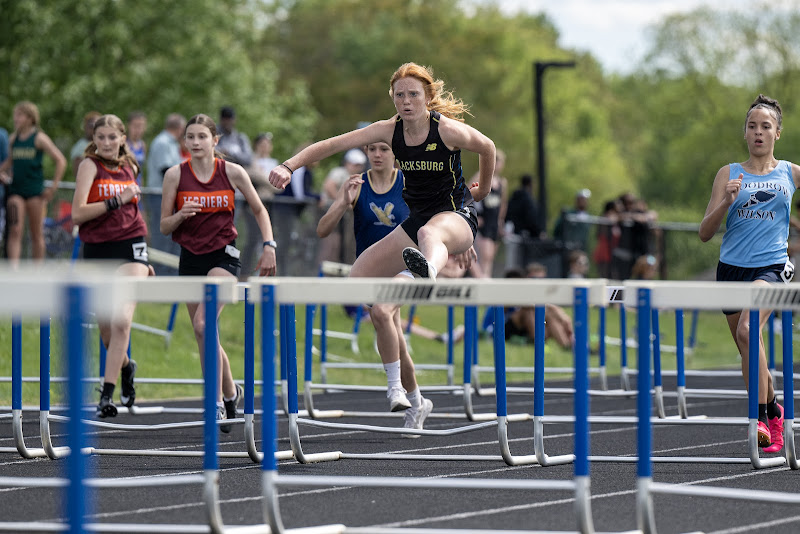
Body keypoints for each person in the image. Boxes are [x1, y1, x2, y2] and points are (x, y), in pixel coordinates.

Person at [269, 62, 495, 285]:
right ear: (393, 98)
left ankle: (428, 272)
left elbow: (487, 147)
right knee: (360, 277)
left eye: (413, 94)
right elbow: (331, 145)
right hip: (419, 219)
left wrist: (483, 190)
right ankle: (404, 288)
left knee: (429, 234)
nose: (406, 101)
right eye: (400, 95)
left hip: (456, 214)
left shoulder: (447, 130)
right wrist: (288, 166)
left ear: (427, 97)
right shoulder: (387, 130)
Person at [160, 113, 277, 433]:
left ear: (215, 140)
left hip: (224, 256)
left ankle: (213, 403)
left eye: (202, 136)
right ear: (184, 142)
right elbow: (164, 225)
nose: (196, 143)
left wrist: (269, 244)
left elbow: (259, 208)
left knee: (202, 324)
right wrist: (181, 214)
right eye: (190, 137)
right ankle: (230, 392)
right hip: (190, 259)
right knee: (203, 333)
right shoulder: (175, 175)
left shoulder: (232, 171)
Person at [699, 93, 798, 453]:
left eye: (765, 127)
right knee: (748, 346)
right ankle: (773, 410)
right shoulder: (729, 173)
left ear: (777, 133)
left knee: (746, 328)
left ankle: (759, 418)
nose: (758, 132)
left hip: (771, 268)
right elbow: (705, 233)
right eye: (752, 126)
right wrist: (726, 202)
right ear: (745, 133)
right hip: (731, 271)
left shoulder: (791, 173)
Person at [71, 114, 153, 417]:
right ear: (94, 139)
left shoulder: (130, 166)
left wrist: (144, 260)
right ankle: (127, 367)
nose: (106, 142)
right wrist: (115, 201)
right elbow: (78, 214)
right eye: (100, 137)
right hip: (97, 249)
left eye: (111, 137)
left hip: (131, 246)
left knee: (121, 321)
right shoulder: (89, 166)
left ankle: (106, 395)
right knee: (107, 331)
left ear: (122, 138)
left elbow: (136, 212)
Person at [0, 101, 67, 266]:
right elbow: (10, 161)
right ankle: (13, 270)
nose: (16, 119)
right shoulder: (13, 139)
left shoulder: (39, 138)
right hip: (16, 190)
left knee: (36, 233)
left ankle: (37, 271)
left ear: (30, 118)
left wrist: (53, 187)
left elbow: (60, 160)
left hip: (35, 193)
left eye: (19, 115)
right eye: (15, 115)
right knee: (15, 230)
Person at [502, 264, 574, 350]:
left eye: (541, 279)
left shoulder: (538, 293)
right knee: (529, 311)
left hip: (528, 328)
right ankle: (539, 343)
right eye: (534, 278)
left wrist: (558, 313)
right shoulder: (507, 292)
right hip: (507, 328)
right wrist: (556, 311)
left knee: (550, 317)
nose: (538, 282)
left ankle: (567, 346)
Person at [317, 148, 368, 265]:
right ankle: (322, 273)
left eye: (359, 165)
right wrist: (342, 202)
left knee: (346, 246)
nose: (357, 167)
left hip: (347, 220)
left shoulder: (360, 177)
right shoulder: (339, 173)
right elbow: (329, 186)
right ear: (347, 163)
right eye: (355, 164)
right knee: (331, 245)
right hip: (331, 215)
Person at [473, 149, 508, 277]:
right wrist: (476, 215)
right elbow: (468, 195)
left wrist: (500, 221)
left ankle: (485, 278)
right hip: (483, 221)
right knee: (485, 255)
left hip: (494, 222)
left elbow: (503, 203)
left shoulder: (502, 182)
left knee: (490, 257)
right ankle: (482, 279)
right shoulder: (480, 176)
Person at [147, 113, 186, 189]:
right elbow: (165, 169)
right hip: (158, 191)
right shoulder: (163, 142)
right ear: (180, 128)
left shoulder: (172, 143)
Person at [505, 174, 542, 240]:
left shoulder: (514, 197)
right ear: (530, 184)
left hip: (511, 232)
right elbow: (531, 218)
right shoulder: (528, 200)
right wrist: (538, 232)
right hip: (525, 236)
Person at [69, 111, 101, 179]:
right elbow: (78, 172)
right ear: (86, 126)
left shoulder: (104, 144)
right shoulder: (81, 146)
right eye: (92, 125)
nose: (94, 129)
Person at [126, 111, 148, 184]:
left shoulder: (142, 145)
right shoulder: (124, 144)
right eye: (135, 126)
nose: (138, 129)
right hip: (126, 183)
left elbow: (141, 169)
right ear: (128, 126)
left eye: (141, 126)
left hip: (138, 184)